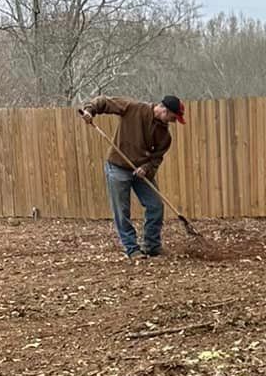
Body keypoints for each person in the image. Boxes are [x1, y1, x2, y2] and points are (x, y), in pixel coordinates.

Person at [78, 94, 186, 259]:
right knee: (122, 210)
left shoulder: (165, 135)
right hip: (118, 167)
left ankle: (152, 246)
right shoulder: (133, 108)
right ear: (164, 109)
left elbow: (157, 158)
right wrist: (89, 111)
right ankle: (132, 248)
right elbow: (104, 102)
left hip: (140, 172)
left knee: (155, 205)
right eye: (173, 117)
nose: (173, 121)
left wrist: (146, 168)